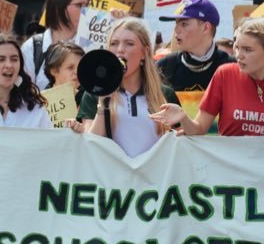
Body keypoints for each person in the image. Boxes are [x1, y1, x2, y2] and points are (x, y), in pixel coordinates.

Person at [151, 17, 264, 136]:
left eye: (248, 50)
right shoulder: (225, 74)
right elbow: (199, 128)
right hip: (228, 167)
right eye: (237, 48)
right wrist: (183, 118)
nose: (239, 55)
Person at [69, 18, 181, 157]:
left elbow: (181, 144)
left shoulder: (165, 94)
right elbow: (92, 146)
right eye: (114, 44)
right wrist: (103, 104)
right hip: (112, 176)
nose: (120, 50)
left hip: (155, 176)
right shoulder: (94, 93)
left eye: (129, 44)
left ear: (144, 53)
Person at [157, 0, 235, 121]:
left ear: (205, 27)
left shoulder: (232, 67)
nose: (176, 29)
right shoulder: (164, 66)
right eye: (176, 23)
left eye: (184, 24)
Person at [21, 0, 88, 90]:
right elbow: (24, 92)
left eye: (87, 6)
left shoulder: (91, 44)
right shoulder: (32, 47)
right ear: (58, 8)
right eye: (79, 5)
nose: (86, 11)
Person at [43, 41, 85, 106]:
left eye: (80, 67)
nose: (77, 72)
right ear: (54, 71)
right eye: (70, 67)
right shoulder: (42, 102)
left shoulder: (89, 99)